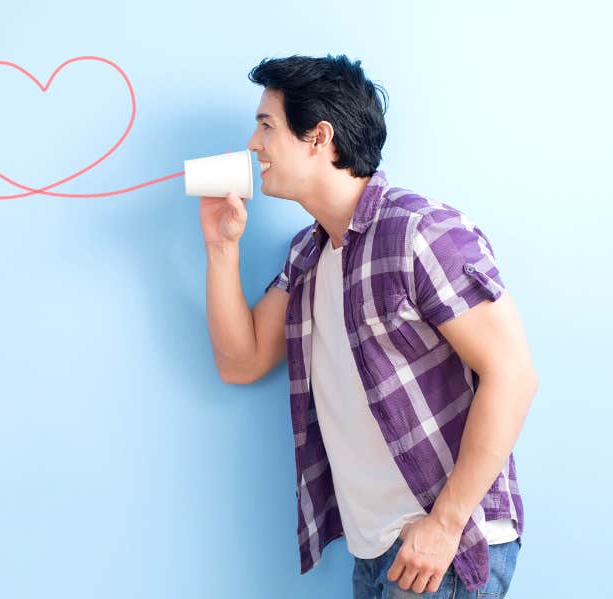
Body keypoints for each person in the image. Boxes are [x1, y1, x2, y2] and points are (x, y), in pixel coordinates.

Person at [199, 55, 537, 597]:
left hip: (440, 548)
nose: (254, 144)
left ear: (319, 137)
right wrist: (220, 247)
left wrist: (445, 525)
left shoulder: (418, 229)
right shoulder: (307, 255)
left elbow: (513, 375)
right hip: (377, 551)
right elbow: (242, 362)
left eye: (267, 126)